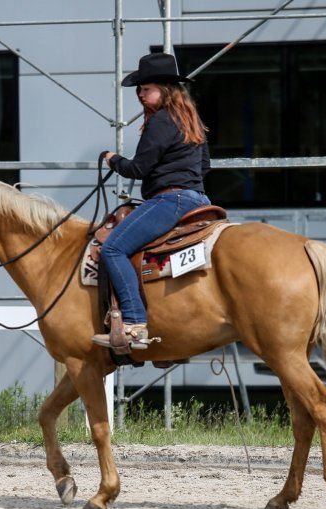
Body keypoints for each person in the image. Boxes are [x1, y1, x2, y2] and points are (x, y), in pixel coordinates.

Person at [91, 52, 212, 351]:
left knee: (114, 248)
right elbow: (205, 166)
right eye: (139, 89)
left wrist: (112, 159)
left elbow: (138, 169)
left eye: (146, 88)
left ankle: (134, 323)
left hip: (172, 200)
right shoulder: (191, 120)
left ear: (166, 88)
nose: (140, 94)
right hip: (200, 200)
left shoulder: (160, 121)